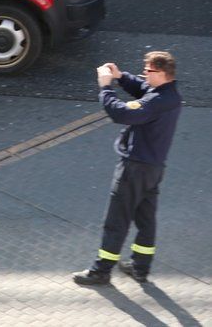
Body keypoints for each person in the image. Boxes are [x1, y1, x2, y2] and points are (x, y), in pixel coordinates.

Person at [73, 51, 183, 285]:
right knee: (146, 218)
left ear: (162, 73)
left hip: (135, 169)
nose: (144, 74)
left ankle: (101, 270)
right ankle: (140, 267)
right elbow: (143, 88)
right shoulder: (169, 94)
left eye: (148, 70)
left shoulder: (156, 102)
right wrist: (121, 76)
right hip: (153, 168)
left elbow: (121, 113)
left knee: (117, 219)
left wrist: (106, 87)